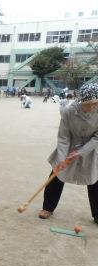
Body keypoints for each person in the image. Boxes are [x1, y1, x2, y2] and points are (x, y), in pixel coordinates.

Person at [38, 82, 98, 224]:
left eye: (96, 103)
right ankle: (48, 207)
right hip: (70, 144)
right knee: (56, 173)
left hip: (92, 147)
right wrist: (61, 159)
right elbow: (64, 137)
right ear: (82, 101)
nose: (94, 106)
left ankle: (97, 214)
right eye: (90, 104)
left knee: (95, 179)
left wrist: (81, 152)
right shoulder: (68, 112)